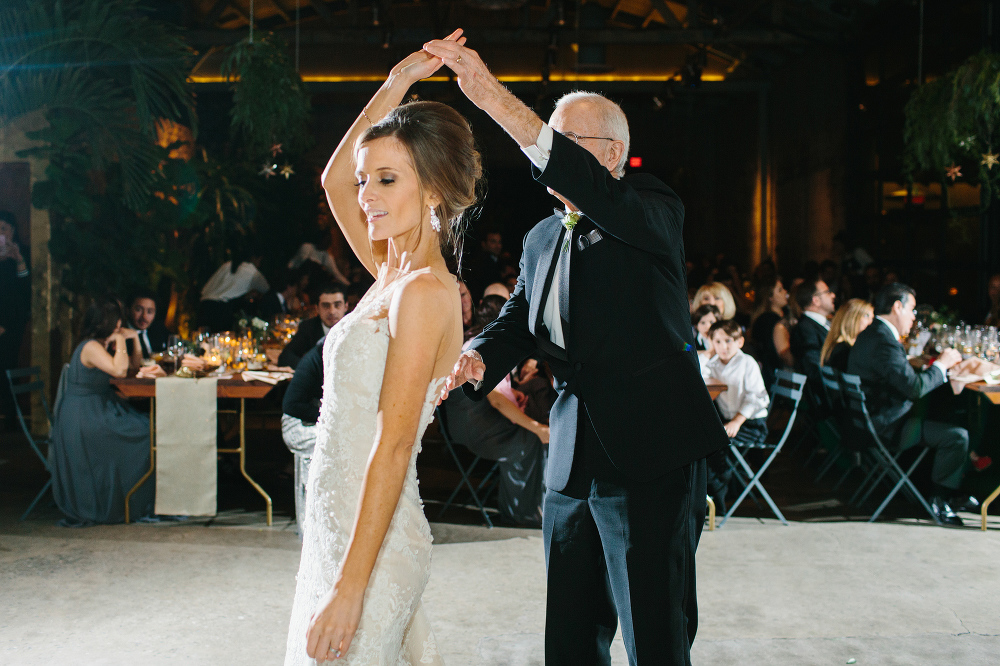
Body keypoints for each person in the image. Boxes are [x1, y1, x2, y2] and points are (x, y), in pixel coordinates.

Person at [429, 33, 728, 666]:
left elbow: (592, 191)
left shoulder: (651, 210)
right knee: (569, 632)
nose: (550, 161)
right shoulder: (541, 236)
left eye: (567, 145)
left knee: (654, 629)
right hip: (569, 458)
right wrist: (479, 356)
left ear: (613, 153)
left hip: (652, 454)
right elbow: (515, 321)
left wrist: (490, 97)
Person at [284, 31, 478, 665]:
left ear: (431, 192)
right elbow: (332, 176)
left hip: (375, 544)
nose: (365, 194)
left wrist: (349, 588)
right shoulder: (385, 273)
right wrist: (396, 83)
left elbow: (393, 446)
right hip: (332, 525)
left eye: (386, 180)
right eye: (368, 180)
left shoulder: (422, 292)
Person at [847, 283, 977, 527]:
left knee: (947, 413)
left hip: (870, 422)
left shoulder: (871, 333)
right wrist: (942, 364)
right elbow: (914, 388)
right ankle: (940, 501)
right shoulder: (884, 340)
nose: (913, 316)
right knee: (957, 435)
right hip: (888, 428)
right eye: (912, 309)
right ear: (897, 307)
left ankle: (954, 490)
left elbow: (900, 379)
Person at [49, 299, 164, 525]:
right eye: (117, 323)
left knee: (146, 425)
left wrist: (136, 340)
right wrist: (121, 340)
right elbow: (119, 370)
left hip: (98, 409)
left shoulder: (100, 345)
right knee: (145, 433)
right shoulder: (90, 346)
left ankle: (140, 499)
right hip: (84, 417)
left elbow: (134, 366)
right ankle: (134, 502)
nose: (120, 326)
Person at [442, 295, 548, 527]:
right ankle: (519, 515)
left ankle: (531, 504)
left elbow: (497, 393)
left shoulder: (476, 342)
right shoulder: (480, 349)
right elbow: (497, 400)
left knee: (531, 425)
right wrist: (538, 429)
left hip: (470, 423)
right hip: (474, 427)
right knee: (527, 441)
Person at [704, 319, 770, 514]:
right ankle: (715, 494)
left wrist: (737, 421)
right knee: (704, 443)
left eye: (728, 341)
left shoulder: (747, 363)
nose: (723, 347)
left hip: (750, 424)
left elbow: (758, 398)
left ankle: (718, 498)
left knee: (713, 445)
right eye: (717, 342)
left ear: (740, 342)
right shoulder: (713, 363)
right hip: (727, 422)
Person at [281, 341, 325, 535]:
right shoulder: (314, 359)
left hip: (319, 419)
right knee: (329, 444)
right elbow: (291, 406)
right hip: (297, 423)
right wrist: (329, 415)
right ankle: (312, 525)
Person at [0, 211, 30, 429]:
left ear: (13, 231)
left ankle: (9, 416)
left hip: (12, 322)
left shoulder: (22, 253)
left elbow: (25, 290)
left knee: (7, 366)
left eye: (4, 229)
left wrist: (18, 259)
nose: (0, 233)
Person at [790, 277, 836, 411]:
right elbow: (814, 369)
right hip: (828, 400)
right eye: (827, 292)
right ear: (815, 300)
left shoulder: (819, 324)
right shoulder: (805, 329)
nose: (833, 295)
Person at [278, 283, 349, 369]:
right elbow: (286, 356)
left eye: (337, 305)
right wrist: (312, 370)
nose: (332, 311)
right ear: (317, 309)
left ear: (346, 307)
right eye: (326, 306)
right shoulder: (309, 327)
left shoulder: (355, 329)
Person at [198, 251, 269, 332]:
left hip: (205, 306)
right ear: (255, 258)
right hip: (221, 310)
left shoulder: (227, 265)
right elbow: (267, 290)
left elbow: (206, 288)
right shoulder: (253, 273)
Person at [749, 275, 793, 388]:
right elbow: (784, 356)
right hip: (779, 377)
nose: (785, 292)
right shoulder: (770, 321)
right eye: (780, 290)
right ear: (770, 297)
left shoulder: (767, 318)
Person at [820, 298, 873, 372]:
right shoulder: (845, 350)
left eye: (872, 318)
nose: (870, 322)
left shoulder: (835, 346)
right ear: (851, 318)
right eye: (866, 316)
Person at [127, 290, 169, 359]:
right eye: (138, 310)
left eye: (150, 312)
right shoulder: (121, 334)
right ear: (128, 310)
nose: (144, 316)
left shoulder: (158, 329)